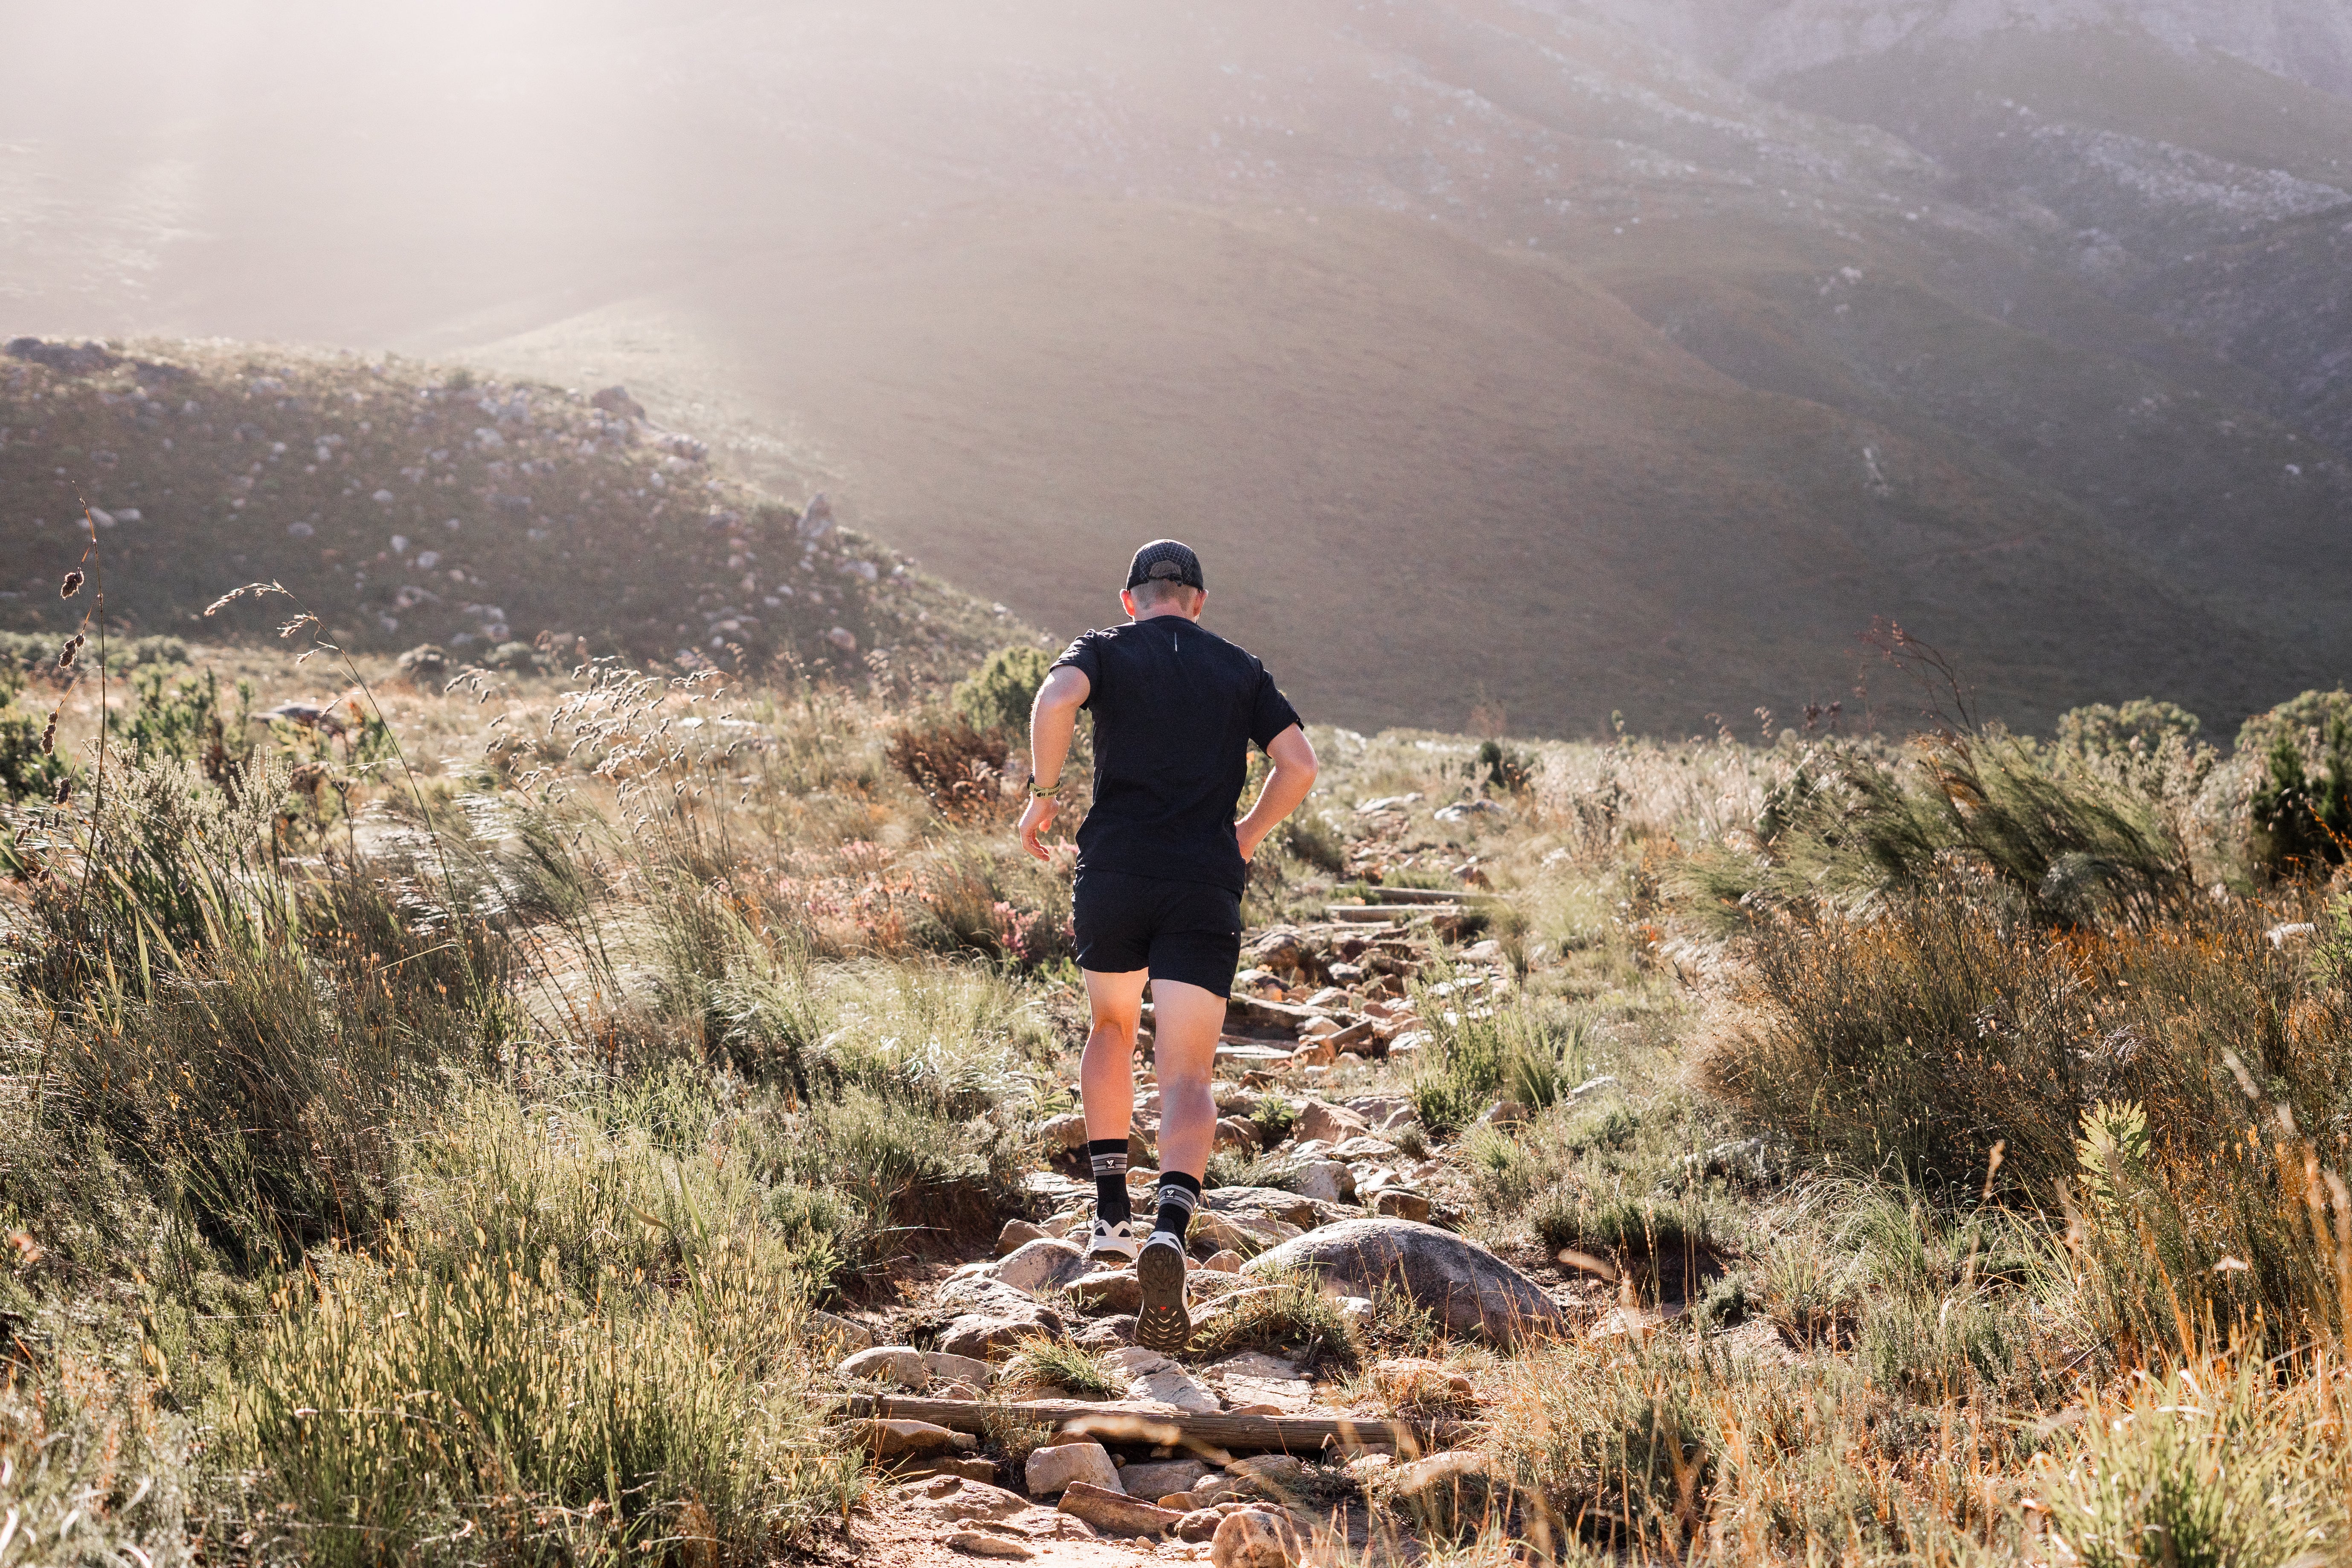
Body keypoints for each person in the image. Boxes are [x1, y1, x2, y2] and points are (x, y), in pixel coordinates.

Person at [1019, 540, 1318, 1353]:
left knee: (1111, 1028)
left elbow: (1052, 705)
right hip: (1202, 880)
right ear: (1198, 600)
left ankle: (1111, 1216)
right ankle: (1171, 1227)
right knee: (1188, 1070)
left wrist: (1043, 799)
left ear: (1130, 601)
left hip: (1115, 870)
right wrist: (1245, 835)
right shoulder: (1239, 667)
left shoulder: (1103, 650)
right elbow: (1298, 763)